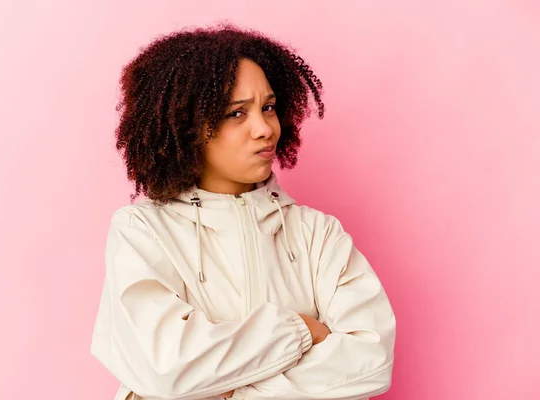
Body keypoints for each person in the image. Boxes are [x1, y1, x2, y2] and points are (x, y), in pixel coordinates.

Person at [91, 24, 396, 400]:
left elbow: (372, 363)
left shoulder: (318, 234)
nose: (265, 128)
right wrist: (301, 331)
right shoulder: (142, 230)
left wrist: (220, 390)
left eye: (268, 108)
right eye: (237, 113)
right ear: (188, 126)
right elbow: (165, 369)